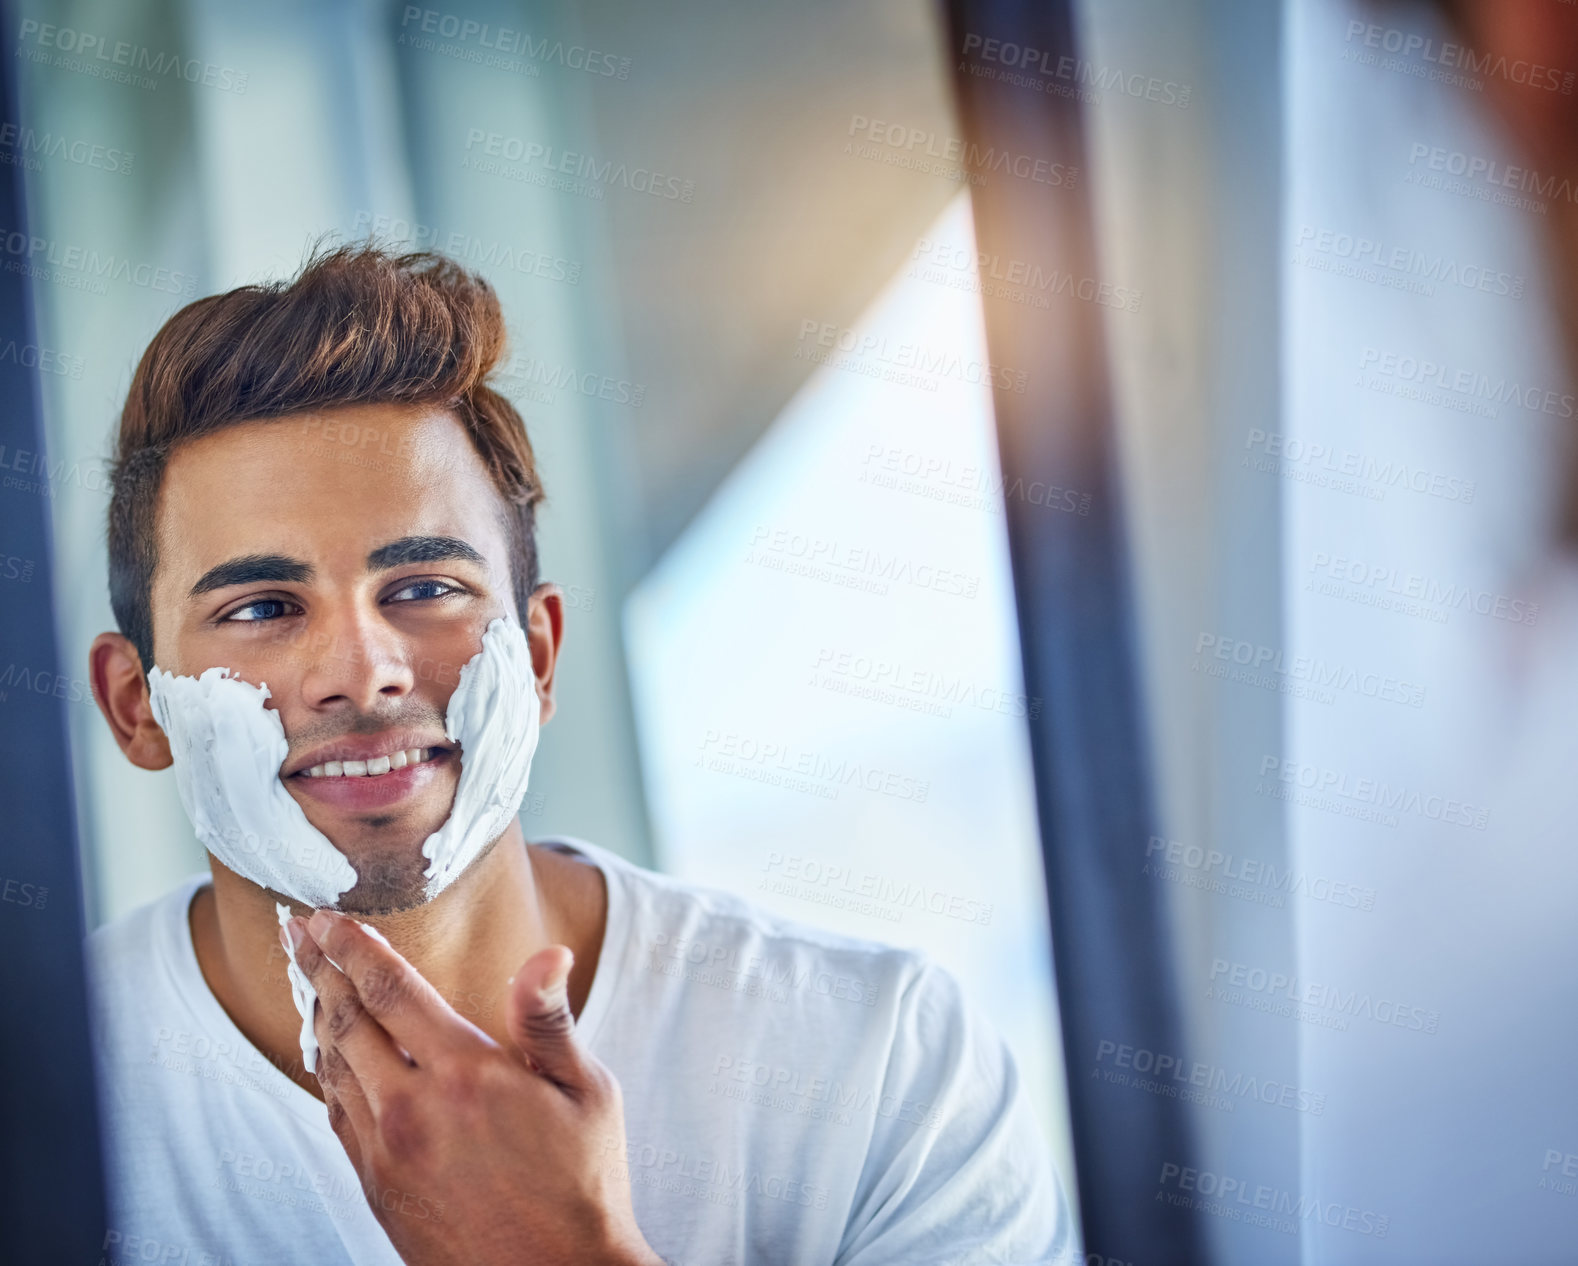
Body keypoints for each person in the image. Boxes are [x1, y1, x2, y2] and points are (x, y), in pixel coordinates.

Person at [84, 246, 1069, 1266]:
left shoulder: (877, 1064)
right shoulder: (38, 1097)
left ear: (540, 653)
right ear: (134, 706)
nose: (363, 671)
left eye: (424, 588)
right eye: (261, 608)